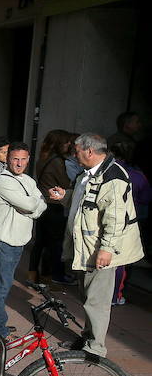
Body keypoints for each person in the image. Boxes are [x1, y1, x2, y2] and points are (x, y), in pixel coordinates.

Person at [48, 134, 144, 357]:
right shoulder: (89, 174)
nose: (74, 154)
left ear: (89, 151)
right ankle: (88, 338)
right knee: (87, 297)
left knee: (96, 300)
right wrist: (65, 196)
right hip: (87, 247)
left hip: (97, 250)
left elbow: (116, 218)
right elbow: (85, 200)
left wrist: (106, 249)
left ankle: (95, 348)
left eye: (77, 150)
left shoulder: (113, 177)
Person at [0, 142, 46, 341]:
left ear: (28, 160)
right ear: (7, 159)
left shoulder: (27, 180)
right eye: (15, 159)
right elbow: (31, 203)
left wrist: (32, 206)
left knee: (0, 284)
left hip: (16, 241)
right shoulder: (3, 181)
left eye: (23, 159)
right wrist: (32, 205)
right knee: (1, 286)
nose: (19, 163)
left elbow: (40, 204)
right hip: (2, 242)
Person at [29, 130, 77, 287]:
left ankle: (32, 275)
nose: (68, 145)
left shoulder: (42, 158)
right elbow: (65, 183)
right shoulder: (57, 161)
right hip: (55, 205)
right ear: (58, 144)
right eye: (65, 142)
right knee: (54, 243)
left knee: (40, 242)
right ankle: (50, 277)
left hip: (43, 203)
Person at [108, 141, 151, 305]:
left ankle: (104, 295)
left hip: (107, 219)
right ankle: (115, 296)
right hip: (130, 221)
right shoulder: (137, 175)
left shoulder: (104, 171)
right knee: (122, 261)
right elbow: (146, 197)